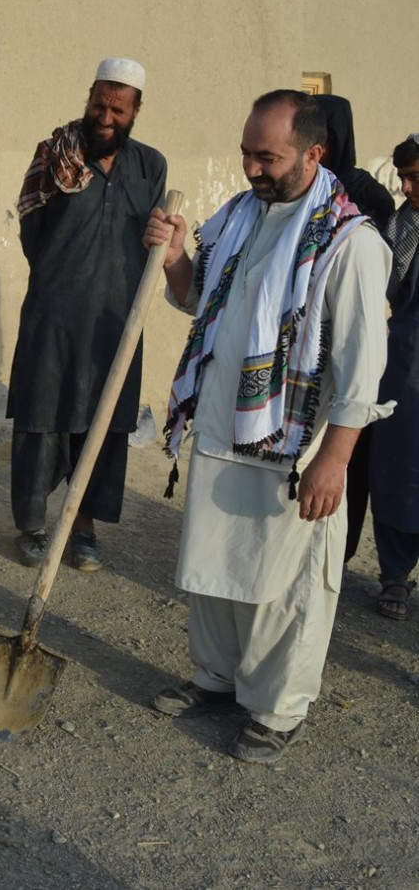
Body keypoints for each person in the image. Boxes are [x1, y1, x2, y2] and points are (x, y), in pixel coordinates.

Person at [146, 90, 392, 764]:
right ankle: (217, 678)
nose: (252, 168)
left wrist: (334, 459)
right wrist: (172, 255)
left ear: (313, 153)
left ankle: (278, 709)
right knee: (214, 571)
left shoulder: (349, 242)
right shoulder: (238, 216)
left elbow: (363, 367)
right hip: (222, 430)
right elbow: (202, 298)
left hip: (293, 449)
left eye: (267, 157)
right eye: (246, 153)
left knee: (284, 588)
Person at [7, 58, 167, 572]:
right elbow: (34, 234)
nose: (105, 116)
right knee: (42, 417)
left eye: (117, 109)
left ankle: (83, 527)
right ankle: (32, 526)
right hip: (54, 313)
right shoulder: (56, 155)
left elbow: (152, 236)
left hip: (116, 320)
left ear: (135, 110)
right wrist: (62, 277)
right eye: (99, 103)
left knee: (105, 421)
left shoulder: (150, 166)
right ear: (89, 98)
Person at [315, 94, 396, 566]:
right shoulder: (299, 189)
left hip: (355, 335)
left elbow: (378, 271)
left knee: (348, 451)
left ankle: (338, 554)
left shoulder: (365, 193)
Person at [370, 134, 419, 620]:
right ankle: (395, 574)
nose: (405, 187)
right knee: (398, 469)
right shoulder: (400, 224)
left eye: (416, 178)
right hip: (406, 363)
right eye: (403, 177)